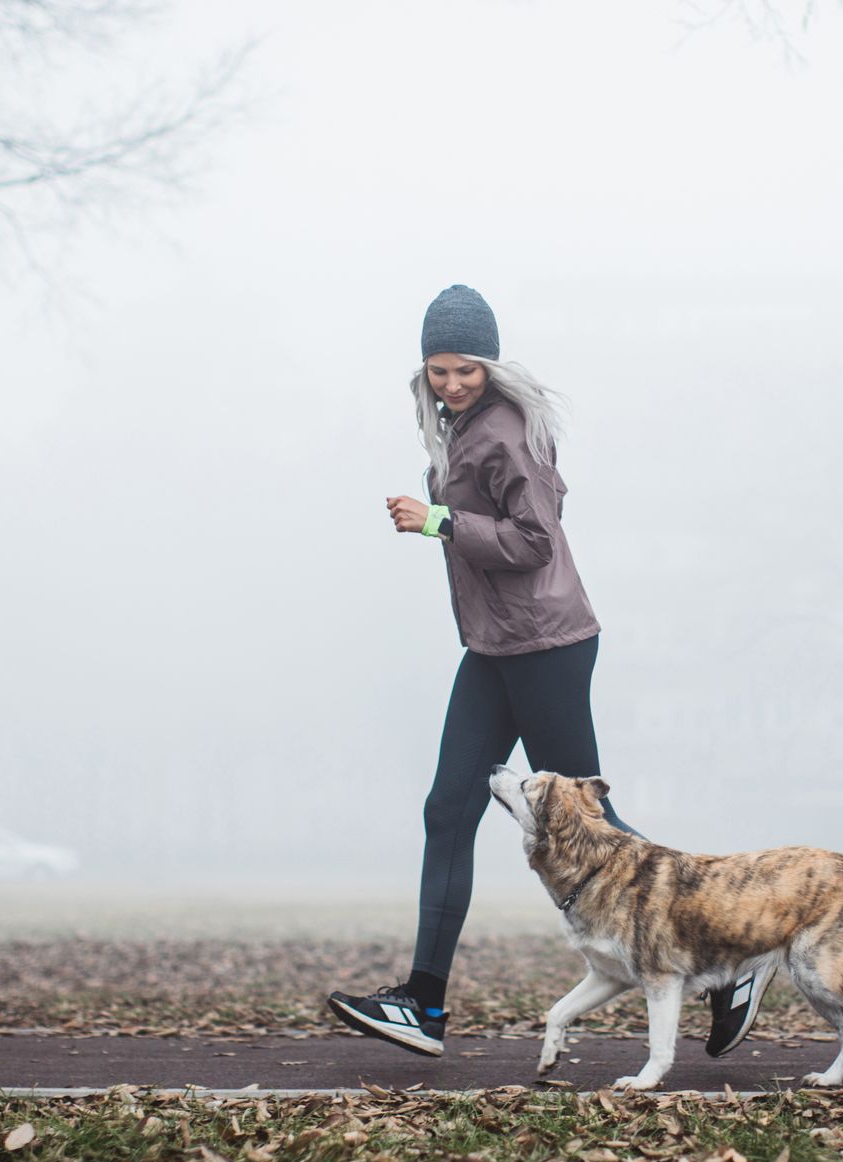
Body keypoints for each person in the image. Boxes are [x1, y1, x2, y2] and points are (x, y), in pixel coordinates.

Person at [326, 284, 774, 1058]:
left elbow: (533, 539)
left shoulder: (503, 430)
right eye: (438, 371)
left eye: (464, 369)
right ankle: (422, 1004)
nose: (452, 384)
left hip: (544, 645)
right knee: (447, 810)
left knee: (590, 826)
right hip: (497, 646)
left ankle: (737, 954)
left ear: (488, 365)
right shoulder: (462, 428)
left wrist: (437, 519)